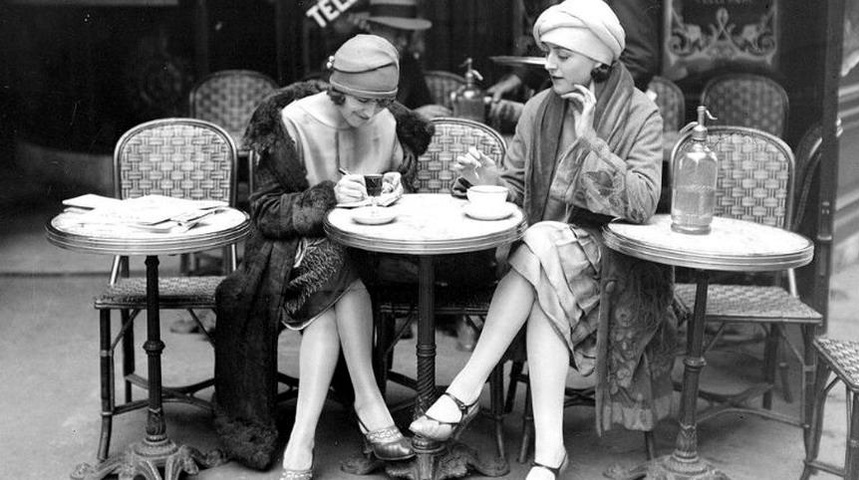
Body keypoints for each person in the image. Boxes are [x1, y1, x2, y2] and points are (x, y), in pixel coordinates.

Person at [407, 1, 677, 479]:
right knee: (543, 262)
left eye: (562, 55)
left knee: (539, 245)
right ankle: (550, 453)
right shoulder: (538, 109)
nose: (548, 63)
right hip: (546, 260)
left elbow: (641, 203)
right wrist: (487, 181)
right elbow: (514, 187)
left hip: (612, 258)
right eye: (548, 52)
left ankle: (464, 391)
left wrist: (591, 140)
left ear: (598, 60)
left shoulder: (641, 114)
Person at [213, 34, 434, 477]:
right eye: (362, 102)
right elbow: (265, 212)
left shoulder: (386, 122)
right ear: (337, 89)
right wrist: (328, 196)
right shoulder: (292, 121)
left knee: (336, 277)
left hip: (365, 252)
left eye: (381, 103)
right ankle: (369, 404)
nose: (370, 113)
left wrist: (396, 185)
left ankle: (303, 436)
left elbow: (396, 189)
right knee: (335, 265)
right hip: (288, 253)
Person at [487, 0, 661, 101]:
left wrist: (584, 94)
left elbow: (640, 59)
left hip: (610, 113)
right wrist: (520, 77)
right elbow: (560, 38)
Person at [362, 0, 452, 119]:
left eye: (408, 35)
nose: (404, 42)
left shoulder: (408, 63)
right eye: (398, 35)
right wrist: (410, 117)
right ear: (374, 29)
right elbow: (361, 119)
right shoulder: (352, 63)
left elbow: (424, 105)